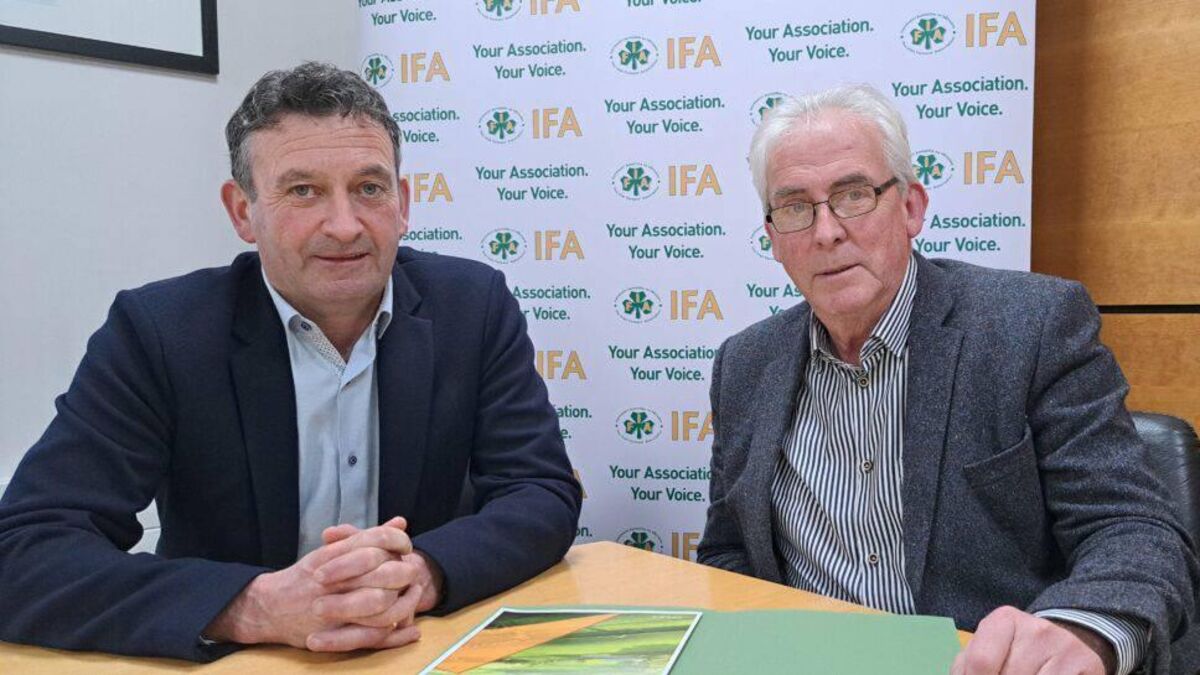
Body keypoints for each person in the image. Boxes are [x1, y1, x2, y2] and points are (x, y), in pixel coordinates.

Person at [0, 62, 581, 661]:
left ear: (403, 204)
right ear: (242, 212)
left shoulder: (473, 306)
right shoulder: (160, 333)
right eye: (303, 191)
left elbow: (539, 490)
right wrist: (257, 605)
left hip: (416, 648)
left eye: (369, 188)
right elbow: (22, 551)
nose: (345, 226)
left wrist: (423, 574)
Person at [697, 84, 1196, 675]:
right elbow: (729, 550)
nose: (826, 231)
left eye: (853, 195)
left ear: (911, 208)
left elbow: (1131, 528)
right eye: (795, 207)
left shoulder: (1031, 326)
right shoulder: (744, 365)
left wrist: (1082, 631)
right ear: (774, 239)